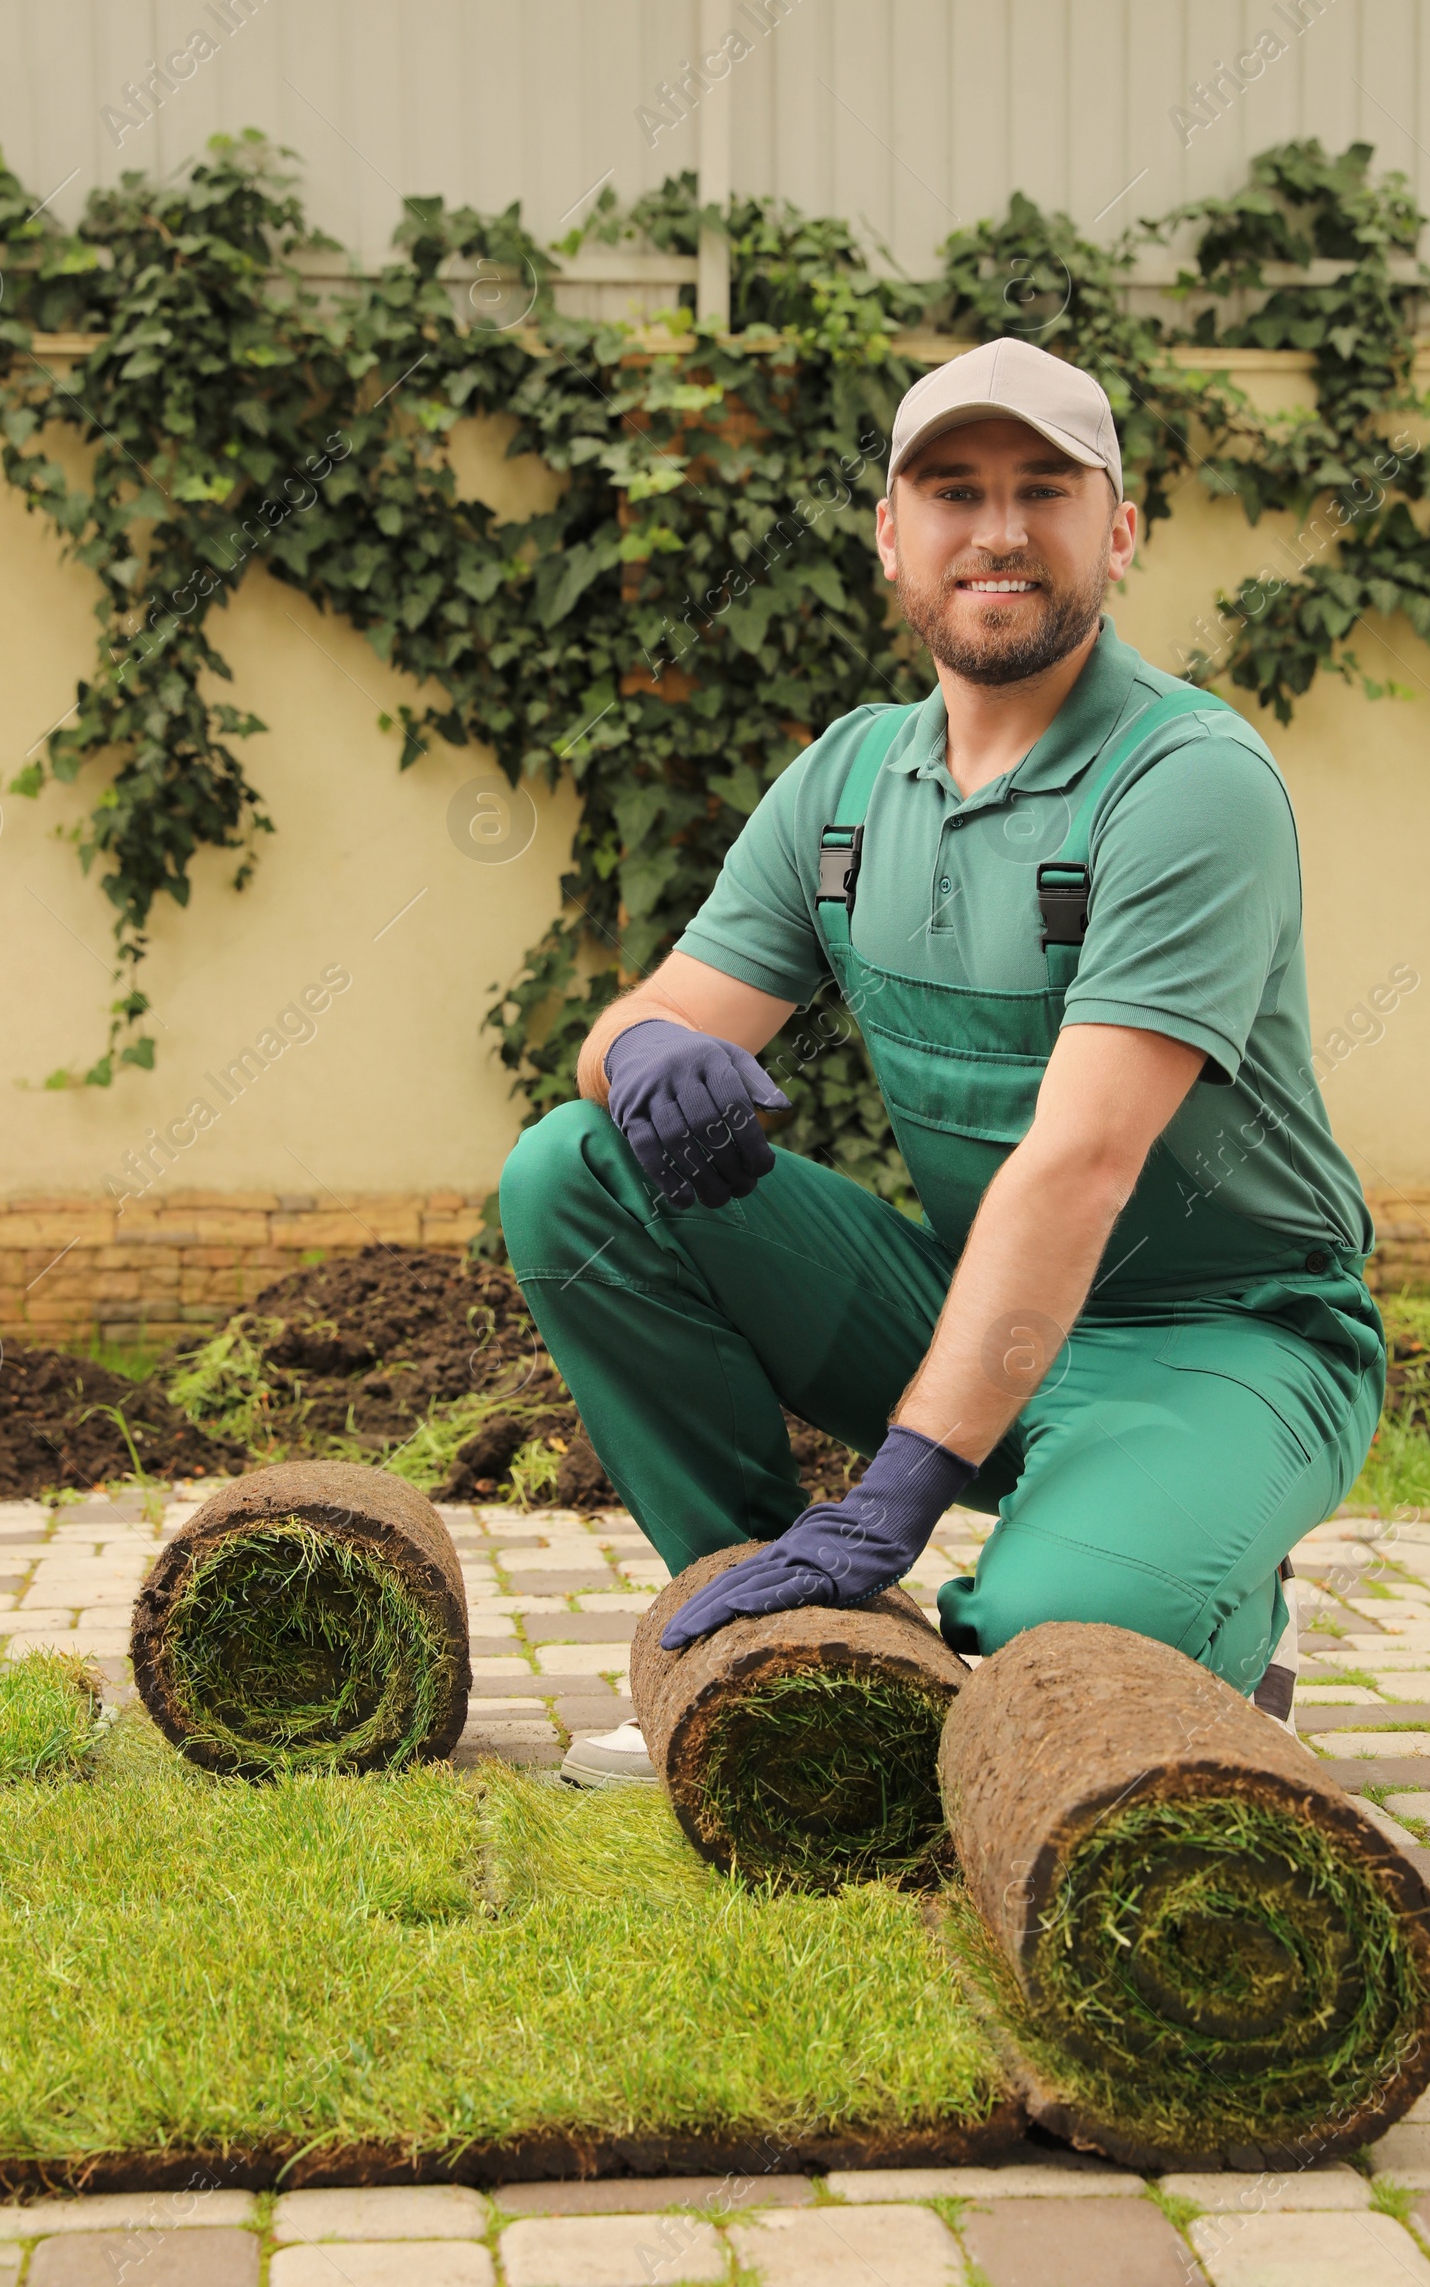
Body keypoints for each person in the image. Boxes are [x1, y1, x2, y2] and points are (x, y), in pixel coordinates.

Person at [500, 337, 1385, 1788]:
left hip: (1216, 1337)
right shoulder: (848, 782)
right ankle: (754, 1634)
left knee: (1054, 1634)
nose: (997, 528)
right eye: (952, 488)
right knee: (570, 1172)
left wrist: (898, 1494)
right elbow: (633, 1022)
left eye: (1045, 488)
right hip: (971, 1306)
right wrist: (647, 1050)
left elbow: (1085, 1159)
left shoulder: (1186, 782)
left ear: (1119, 529)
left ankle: (1224, 1605)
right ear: (890, 534)